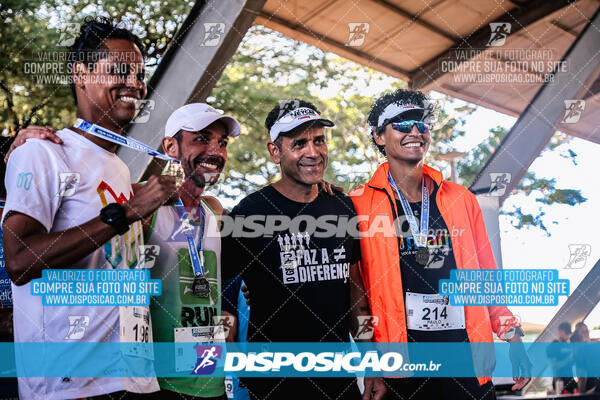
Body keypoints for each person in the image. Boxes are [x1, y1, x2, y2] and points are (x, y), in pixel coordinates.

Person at [1, 17, 177, 399]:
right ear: (80, 74)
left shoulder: (116, 166)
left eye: (140, 74)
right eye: (119, 71)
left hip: (127, 375)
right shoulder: (42, 152)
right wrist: (127, 212)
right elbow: (19, 260)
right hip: (69, 384)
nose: (135, 83)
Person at [349, 88, 530, 399]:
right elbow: (355, 297)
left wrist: (514, 338)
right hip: (401, 371)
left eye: (422, 123)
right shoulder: (357, 204)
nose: (416, 131)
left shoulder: (461, 200)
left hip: (466, 363)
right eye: (402, 124)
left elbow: (486, 279)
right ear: (379, 136)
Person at [221, 99, 386, 399]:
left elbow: (354, 294)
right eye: (299, 143)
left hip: (337, 380)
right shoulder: (249, 212)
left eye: (318, 141)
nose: (313, 152)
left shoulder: (342, 207)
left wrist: (371, 364)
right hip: (272, 383)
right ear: (275, 152)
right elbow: (219, 288)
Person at [142, 103, 240, 399]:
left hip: (210, 378)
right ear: (171, 146)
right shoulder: (142, 203)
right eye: (202, 138)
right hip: (160, 384)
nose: (216, 151)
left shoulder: (214, 209)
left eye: (222, 142)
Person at [546, 322, 576, 394]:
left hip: (570, 381)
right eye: (566, 334)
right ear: (560, 331)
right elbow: (554, 365)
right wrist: (568, 359)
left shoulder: (570, 345)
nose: (568, 337)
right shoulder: (552, 346)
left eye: (569, 334)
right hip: (559, 381)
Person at [571, 322, 598, 393]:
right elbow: (581, 376)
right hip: (590, 388)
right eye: (583, 332)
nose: (586, 334)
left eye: (587, 331)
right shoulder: (580, 351)